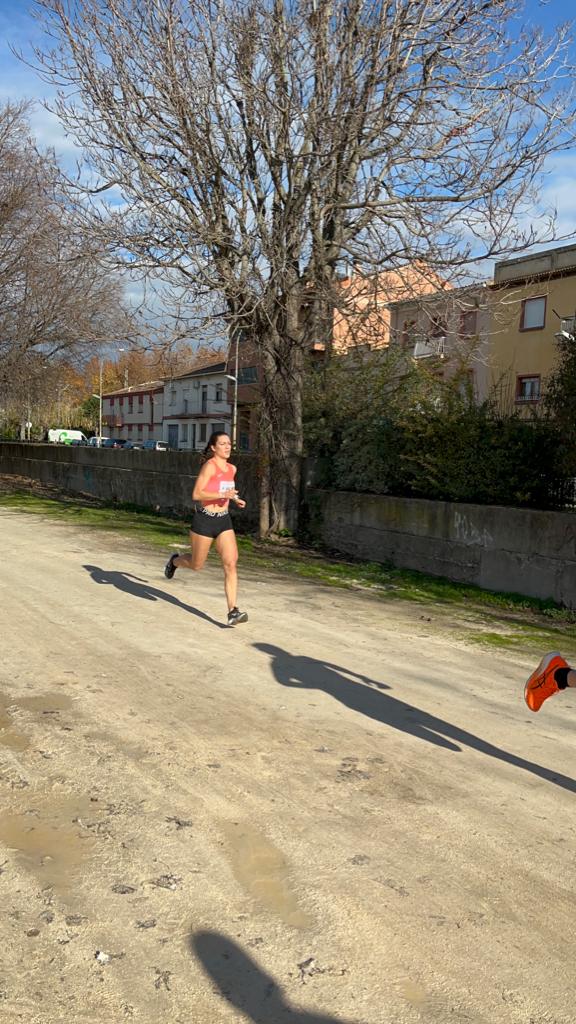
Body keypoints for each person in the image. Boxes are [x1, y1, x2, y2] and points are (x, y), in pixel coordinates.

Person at [164, 431, 248, 626]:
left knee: (231, 563)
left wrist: (235, 499)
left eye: (229, 444)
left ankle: (233, 610)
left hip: (224, 520)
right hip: (205, 520)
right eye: (223, 444)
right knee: (196, 565)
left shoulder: (232, 469)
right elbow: (197, 493)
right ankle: (175, 561)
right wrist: (223, 493)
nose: (227, 447)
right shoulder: (209, 467)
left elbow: (226, 492)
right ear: (213, 447)